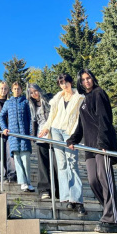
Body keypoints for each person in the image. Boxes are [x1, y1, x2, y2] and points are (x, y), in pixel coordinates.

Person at [67, 69, 117, 233]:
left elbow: (104, 118)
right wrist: (73, 139)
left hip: (101, 145)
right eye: (82, 80)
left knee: (105, 180)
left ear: (93, 79)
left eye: (88, 78)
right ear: (80, 83)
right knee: (93, 181)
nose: (86, 81)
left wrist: (103, 142)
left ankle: (112, 220)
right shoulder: (84, 100)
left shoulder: (99, 93)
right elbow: (82, 125)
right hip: (89, 148)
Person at [39, 74, 86, 216]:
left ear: (71, 82)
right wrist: (46, 128)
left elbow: (80, 118)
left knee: (72, 163)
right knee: (62, 164)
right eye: (61, 83)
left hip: (70, 132)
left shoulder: (79, 97)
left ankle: (77, 200)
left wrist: (75, 137)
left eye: (65, 82)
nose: (64, 85)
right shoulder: (57, 98)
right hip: (56, 131)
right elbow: (52, 115)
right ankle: (66, 198)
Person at [0, 82, 34, 192]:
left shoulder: (25, 102)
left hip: (24, 135)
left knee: (25, 159)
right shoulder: (8, 103)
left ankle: (28, 182)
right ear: (12, 90)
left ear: (21, 90)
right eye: (14, 89)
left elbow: (31, 118)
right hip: (13, 136)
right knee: (17, 160)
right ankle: (23, 182)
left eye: (18, 89)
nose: (16, 90)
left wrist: (31, 132)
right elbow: (1, 116)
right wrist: (4, 128)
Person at [28, 83, 59, 200]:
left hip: (53, 135)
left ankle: (58, 190)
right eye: (31, 93)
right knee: (43, 165)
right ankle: (44, 190)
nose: (34, 94)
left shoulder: (49, 98)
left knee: (56, 164)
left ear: (39, 90)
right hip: (41, 137)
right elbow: (34, 121)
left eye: (35, 91)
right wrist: (34, 136)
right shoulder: (32, 105)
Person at [0, 82, 16, 183]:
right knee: (0, 152)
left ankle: (12, 174)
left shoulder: (11, 102)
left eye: (5, 89)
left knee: (10, 153)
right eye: (1, 88)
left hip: (10, 131)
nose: (3, 91)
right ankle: (3, 174)